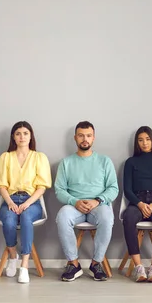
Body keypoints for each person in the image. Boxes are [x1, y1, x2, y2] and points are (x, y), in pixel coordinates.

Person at [55, 121, 119, 282]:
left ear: (93, 138)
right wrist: (75, 201)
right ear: (75, 138)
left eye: (88, 136)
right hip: (74, 206)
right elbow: (59, 190)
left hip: (98, 206)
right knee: (62, 216)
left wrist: (97, 201)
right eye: (81, 135)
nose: (85, 139)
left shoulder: (105, 161)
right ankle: (73, 264)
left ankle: (96, 263)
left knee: (107, 217)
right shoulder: (66, 162)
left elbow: (113, 188)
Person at [0, 121, 52, 284]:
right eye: (18, 133)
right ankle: (13, 256)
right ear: (13, 136)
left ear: (31, 135)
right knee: (9, 221)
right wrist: (10, 202)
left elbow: (42, 187)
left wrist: (27, 203)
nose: (22, 137)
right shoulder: (5, 157)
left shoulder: (39, 157)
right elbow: (1, 185)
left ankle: (24, 266)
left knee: (26, 218)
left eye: (25, 133)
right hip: (10, 199)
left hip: (32, 201)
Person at [122, 126, 152, 283]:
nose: (144, 143)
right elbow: (127, 189)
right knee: (128, 217)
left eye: (148, 139)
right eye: (141, 140)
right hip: (137, 201)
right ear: (136, 143)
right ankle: (138, 267)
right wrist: (140, 204)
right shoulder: (130, 162)